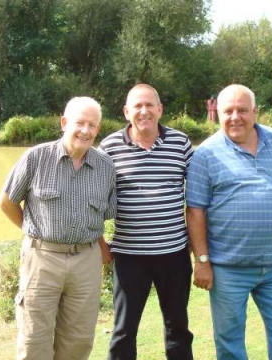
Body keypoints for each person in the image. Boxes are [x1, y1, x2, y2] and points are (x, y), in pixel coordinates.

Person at [186, 84, 272, 360]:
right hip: (229, 269)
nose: (235, 117)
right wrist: (202, 261)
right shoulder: (205, 154)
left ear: (255, 112)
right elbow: (195, 211)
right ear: (218, 114)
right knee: (230, 342)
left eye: (242, 110)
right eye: (228, 111)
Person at [0, 96, 117, 360]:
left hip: (86, 262)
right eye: (80, 123)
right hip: (41, 259)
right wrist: (32, 230)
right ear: (64, 123)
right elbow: (6, 202)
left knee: (79, 340)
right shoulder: (36, 157)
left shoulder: (106, 166)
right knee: (34, 341)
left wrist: (102, 248)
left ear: (98, 129)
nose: (86, 131)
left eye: (93, 125)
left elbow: (102, 218)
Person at [99, 83, 194, 360]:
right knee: (124, 330)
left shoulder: (180, 143)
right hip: (129, 256)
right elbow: (93, 200)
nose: (144, 111)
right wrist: (100, 243)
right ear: (127, 111)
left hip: (174, 254)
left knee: (178, 327)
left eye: (150, 105)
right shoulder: (109, 147)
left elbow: (200, 195)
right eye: (137, 106)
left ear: (160, 109)